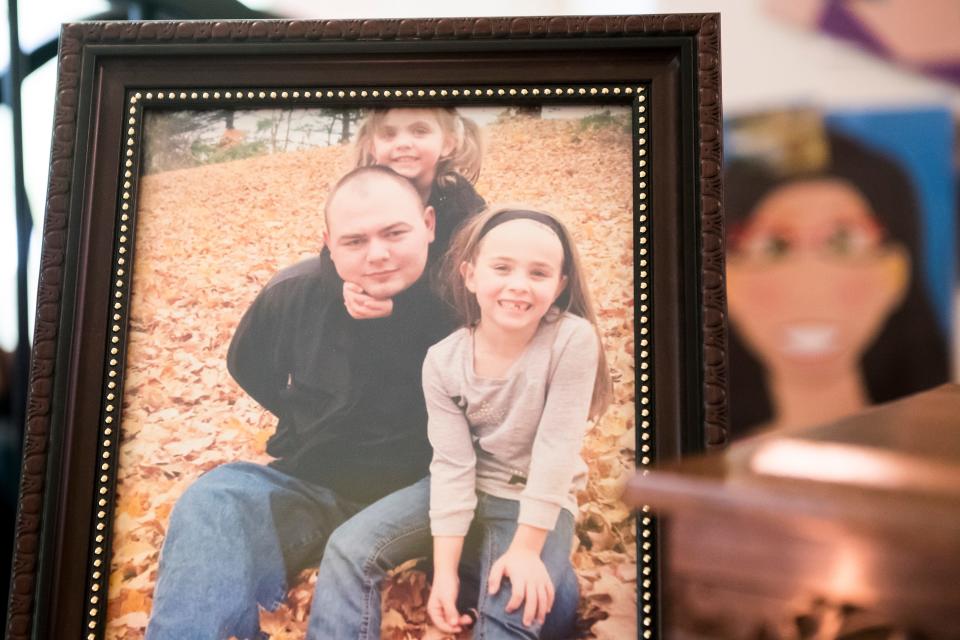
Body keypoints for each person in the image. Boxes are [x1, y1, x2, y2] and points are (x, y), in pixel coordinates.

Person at [147, 166, 450, 640]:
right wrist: (298, 417)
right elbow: (246, 363)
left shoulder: (464, 299)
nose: (378, 254)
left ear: (428, 224)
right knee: (214, 497)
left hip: (429, 500)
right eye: (355, 241)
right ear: (328, 241)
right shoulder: (294, 293)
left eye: (395, 233)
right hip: (318, 491)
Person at [307, 207, 610, 639]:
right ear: (470, 274)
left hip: (536, 497)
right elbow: (452, 466)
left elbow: (556, 449)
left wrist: (526, 550)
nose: (518, 285)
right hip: (464, 487)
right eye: (501, 267)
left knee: (517, 607)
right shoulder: (443, 360)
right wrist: (444, 574)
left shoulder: (571, 340)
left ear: (560, 285)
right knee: (349, 547)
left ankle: (547, 575)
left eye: (539, 273)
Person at [724, 128, 950, 437]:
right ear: (727, 275)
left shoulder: (934, 452)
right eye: (772, 246)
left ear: (896, 271)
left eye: (844, 242)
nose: (808, 285)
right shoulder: (696, 473)